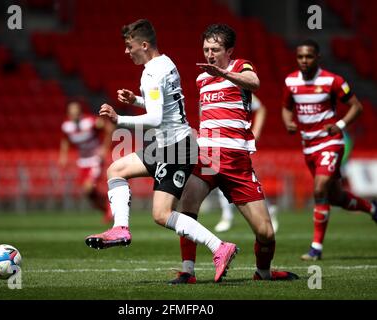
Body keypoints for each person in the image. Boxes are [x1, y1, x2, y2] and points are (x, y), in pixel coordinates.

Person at [84, 19, 238, 283]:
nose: (126, 51)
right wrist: (136, 100)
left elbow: (155, 118)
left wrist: (119, 119)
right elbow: (165, 104)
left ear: (143, 45)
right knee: (116, 169)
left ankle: (219, 247)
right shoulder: (166, 63)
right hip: (169, 145)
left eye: (129, 46)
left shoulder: (152, 72)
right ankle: (120, 228)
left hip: (176, 148)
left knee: (161, 214)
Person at [169, 24, 298, 284]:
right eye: (206, 49)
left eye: (215, 49)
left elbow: (256, 83)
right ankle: (188, 271)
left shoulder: (241, 66)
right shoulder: (201, 78)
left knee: (266, 233)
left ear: (229, 51)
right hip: (209, 156)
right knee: (187, 205)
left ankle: (263, 273)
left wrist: (224, 74)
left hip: (237, 160)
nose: (209, 54)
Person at [281, 39, 377, 261]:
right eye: (300, 57)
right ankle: (372, 209)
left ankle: (316, 248)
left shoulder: (333, 80)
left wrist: (340, 125)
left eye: (309, 56)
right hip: (308, 146)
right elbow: (286, 109)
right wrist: (288, 123)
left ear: (318, 58)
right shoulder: (290, 81)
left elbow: (357, 107)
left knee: (319, 188)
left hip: (330, 142)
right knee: (335, 196)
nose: (304, 61)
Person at [213, 95, 279, 233]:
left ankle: (266, 210)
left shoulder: (237, 86)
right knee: (216, 178)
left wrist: (256, 132)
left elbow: (260, 109)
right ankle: (227, 216)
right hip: (212, 139)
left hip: (234, 141)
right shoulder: (205, 84)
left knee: (244, 179)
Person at [59, 100, 114, 223]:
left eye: (77, 113)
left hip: (95, 159)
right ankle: (107, 209)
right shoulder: (67, 126)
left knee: (89, 187)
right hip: (82, 161)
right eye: (72, 113)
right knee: (88, 193)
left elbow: (109, 127)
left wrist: (105, 148)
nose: (75, 115)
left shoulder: (90, 121)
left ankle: (111, 205)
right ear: (68, 114)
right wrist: (63, 156)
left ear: (81, 112)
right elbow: (65, 140)